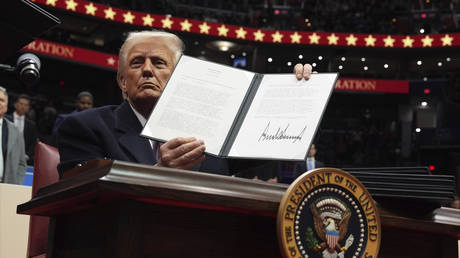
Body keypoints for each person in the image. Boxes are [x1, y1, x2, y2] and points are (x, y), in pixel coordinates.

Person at [57, 30, 313, 178]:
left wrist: (298, 93)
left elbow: (279, 142)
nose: (147, 70)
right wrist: (160, 172)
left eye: (158, 63)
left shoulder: (216, 130)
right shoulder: (84, 127)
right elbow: (82, 199)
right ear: (123, 81)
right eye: (137, 63)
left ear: (179, 77)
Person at [0, 87, 27, 184]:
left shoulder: (15, 131)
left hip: (7, 186)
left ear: (6, 107)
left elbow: (21, 163)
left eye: (2, 100)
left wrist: (16, 184)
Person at [5, 94, 39, 165]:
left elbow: (33, 143)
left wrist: (27, 155)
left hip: (23, 159)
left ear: (28, 108)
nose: (23, 107)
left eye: (26, 105)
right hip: (5, 155)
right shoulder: (5, 119)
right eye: (21, 104)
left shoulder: (31, 125)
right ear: (15, 105)